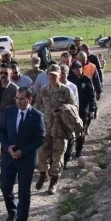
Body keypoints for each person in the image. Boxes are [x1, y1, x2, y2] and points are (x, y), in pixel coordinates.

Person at [0, 87, 46, 221]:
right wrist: (8, 148)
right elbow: (2, 131)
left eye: (22, 99)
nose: (19, 102)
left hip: (26, 159)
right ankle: (12, 210)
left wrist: (23, 151)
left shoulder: (37, 116)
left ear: (29, 100)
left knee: (24, 192)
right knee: (5, 187)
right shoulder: (9, 111)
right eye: (17, 98)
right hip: (9, 156)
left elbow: (40, 138)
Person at [34, 65, 78, 195]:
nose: (52, 77)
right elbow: (37, 107)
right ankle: (43, 174)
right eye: (50, 74)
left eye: (54, 74)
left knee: (57, 156)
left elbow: (74, 107)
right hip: (45, 128)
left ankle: (53, 181)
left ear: (59, 75)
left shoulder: (66, 91)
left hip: (60, 129)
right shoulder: (43, 91)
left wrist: (63, 109)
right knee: (42, 153)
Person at [66, 61, 97, 161]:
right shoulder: (69, 79)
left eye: (79, 67)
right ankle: (68, 153)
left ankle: (78, 150)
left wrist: (92, 109)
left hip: (83, 110)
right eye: (75, 68)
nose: (78, 69)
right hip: (72, 110)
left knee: (81, 131)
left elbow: (92, 96)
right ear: (72, 70)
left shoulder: (87, 80)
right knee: (70, 132)